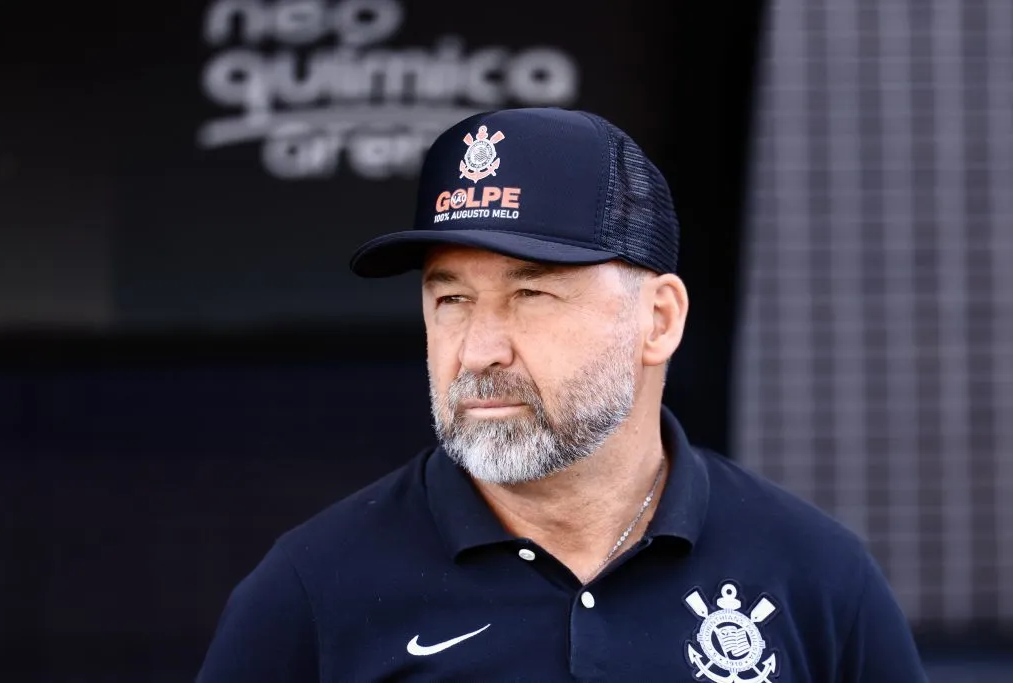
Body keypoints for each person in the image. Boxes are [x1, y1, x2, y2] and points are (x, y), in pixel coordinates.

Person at [196, 108, 928, 682]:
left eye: (532, 294)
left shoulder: (817, 577)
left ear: (659, 319)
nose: (479, 348)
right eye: (450, 299)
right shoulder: (311, 590)